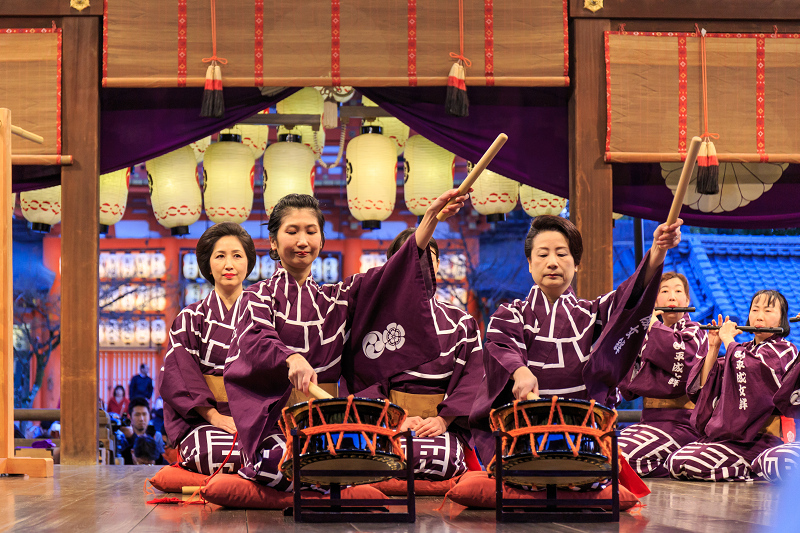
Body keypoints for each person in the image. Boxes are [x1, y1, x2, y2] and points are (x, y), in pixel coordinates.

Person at [224, 190, 468, 490]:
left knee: (356, 456)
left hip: (330, 417)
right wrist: (290, 357)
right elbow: (256, 337)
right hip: (277, 419)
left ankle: (331, 483)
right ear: (273, 242)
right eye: (292, 231)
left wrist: (429, 218)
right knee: (282, 462)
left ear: (321, 240)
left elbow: (385, 278)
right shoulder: (256, 297)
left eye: (311, 231)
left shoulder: (337, 298)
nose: (303, 240)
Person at [469, 214, 682, 464]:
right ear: (529, 262)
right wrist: (520, 372)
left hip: (583, 437)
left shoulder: (594, 313)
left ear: (576, 263)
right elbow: (501, 343)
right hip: (522, 437)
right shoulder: (511, 313)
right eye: (542, 254)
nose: (552, 263)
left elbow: (629, 299)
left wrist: (657, 250)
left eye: (561, 254)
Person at [354, 229, 483, 481]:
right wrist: (395, 421)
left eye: (428, 257)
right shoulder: (375, 323)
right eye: (409, 257)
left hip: (440, 426)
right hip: (387, 424)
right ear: (394, 267)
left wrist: (444, 420)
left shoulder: (461, 324)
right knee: (384, 459)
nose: (420, 264)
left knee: (443, 460)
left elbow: (474, 378)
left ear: (437, 264)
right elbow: (364, 381)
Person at [667, 290, 798, 481]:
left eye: (768, 311)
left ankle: (748, 470)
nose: (759, 316)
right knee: (677, 461)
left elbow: (753, 371)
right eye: (755, 310)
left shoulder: (784, 350)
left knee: (695, 464)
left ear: (781, 320)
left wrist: (729, 340)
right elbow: (706, 385)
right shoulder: (742, 350)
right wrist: (713, 346)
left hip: (762, 438)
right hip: (733, 438)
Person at [161, 222, 255, 475]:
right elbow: (179, 376)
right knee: (213, 454)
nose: (229, 264)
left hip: (255, 418)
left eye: (237, 256)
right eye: (220, 256)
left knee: (276, 453)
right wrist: (215, 418)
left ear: (248, 263)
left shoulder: (264, 316)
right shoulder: (190, 318)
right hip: (204, 420)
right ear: (208, 264)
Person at [617, 272, 708, 477]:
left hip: (682, 424)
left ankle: (672, 463)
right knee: (609, 451)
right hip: (648, 422)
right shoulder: (646, 334)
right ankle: (670, 464)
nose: (672, 296)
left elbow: (684, 363)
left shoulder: (695, 331)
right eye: (664, 291)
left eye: (678, 291)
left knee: (622, 458)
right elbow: (629, 387)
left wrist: (652, 327)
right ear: (656, 299)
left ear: (687, 299)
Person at [751, 349, 800, 483]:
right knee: (770, 460)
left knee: (779, 460)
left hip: (774, 432)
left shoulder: (786, 350)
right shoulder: (743, 349)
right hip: (750, 435)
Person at [121, 397, 165, 465]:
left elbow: (161, 461)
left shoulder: (157, 436)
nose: (141, 419)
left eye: (144, 414)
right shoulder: (123, 436)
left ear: (149, 416)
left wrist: (133, 436)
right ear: (130, 417)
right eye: (137, 415)